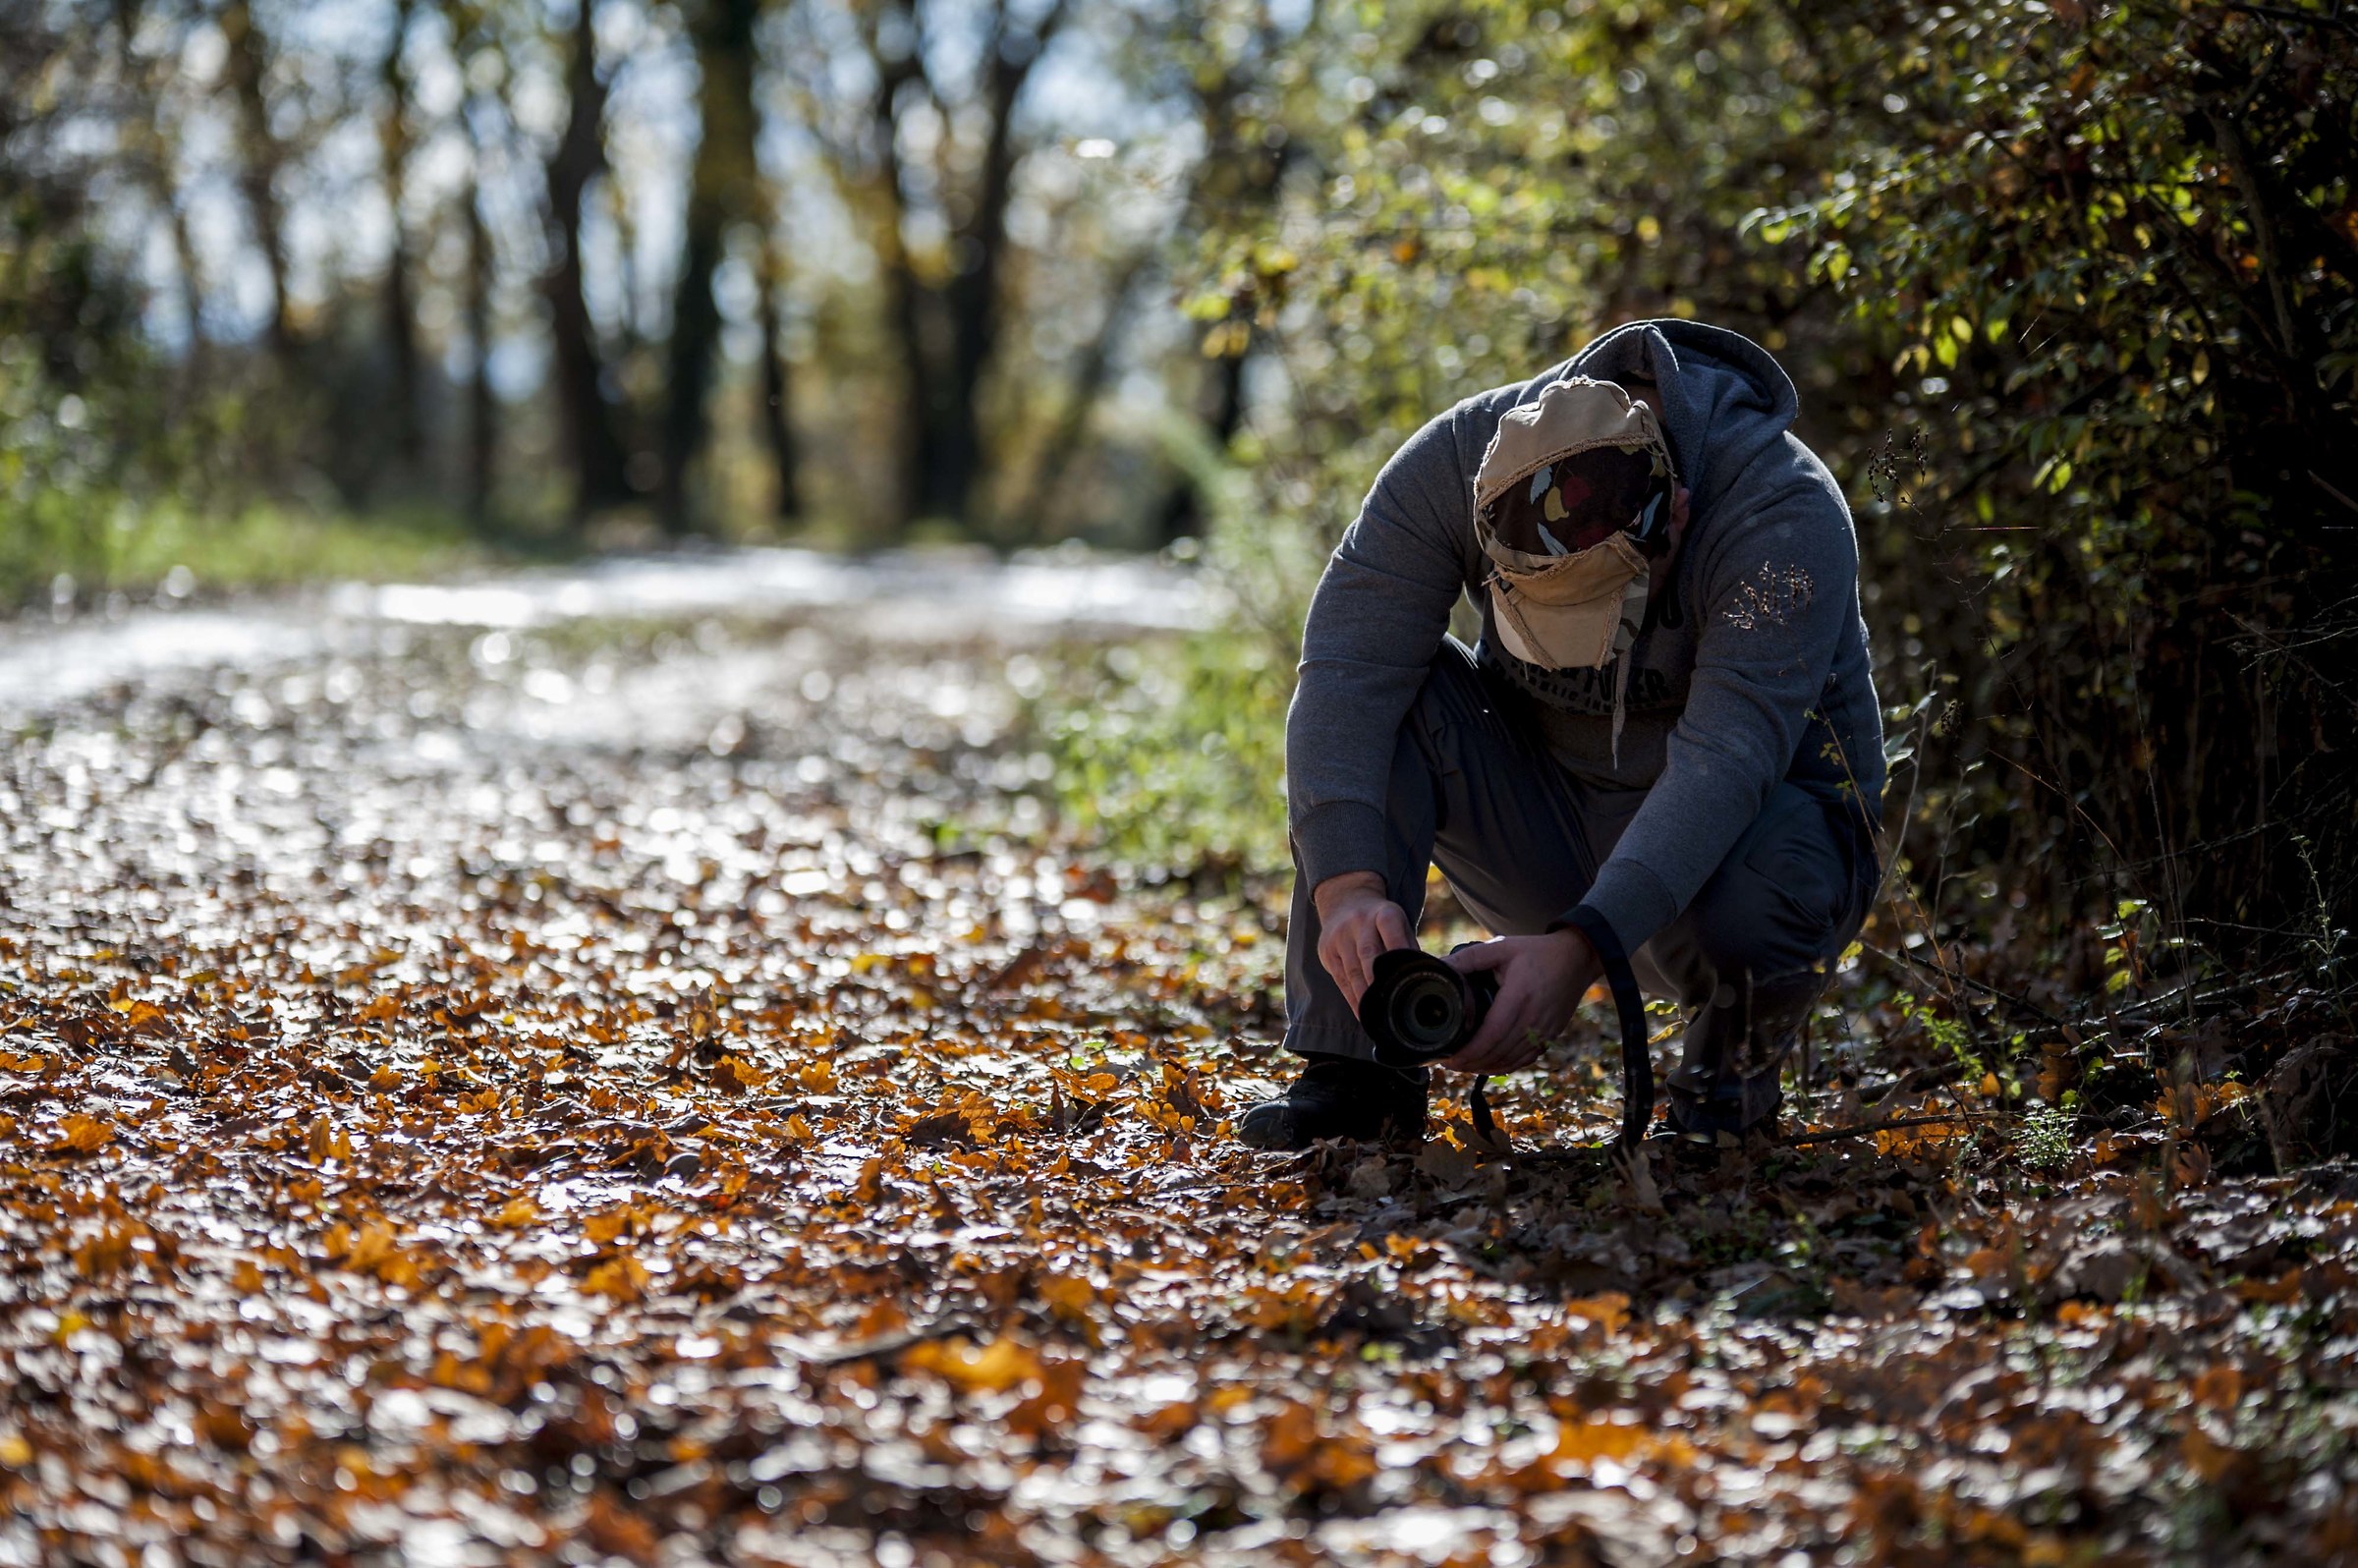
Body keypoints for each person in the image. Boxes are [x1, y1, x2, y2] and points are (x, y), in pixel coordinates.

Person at [1236, 319, 1884, 1150]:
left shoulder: (1780, 517)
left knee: (1784, 854)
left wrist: (1584, 946)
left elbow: (1730, 759)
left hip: (1741, 859)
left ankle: (1723, 1102)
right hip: (1545, 813)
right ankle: (1357, 1071)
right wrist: (1346, 889)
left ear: (1675, 516)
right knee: (1397, 692)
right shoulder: (1463, 458)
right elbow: (1345, 668)